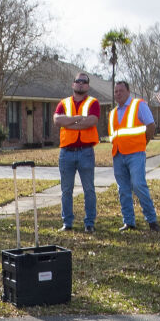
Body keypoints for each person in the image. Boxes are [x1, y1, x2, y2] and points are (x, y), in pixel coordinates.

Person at [109, 81, 159, 232]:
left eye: (121, 91)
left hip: (135, 154)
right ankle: (129, 222)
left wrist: (143, 143)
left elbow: (151, 126)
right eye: (116, 91)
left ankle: (152, 221)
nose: (118, 93)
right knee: (123, 189)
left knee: (138, 185)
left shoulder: (139, 105)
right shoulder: (112, 113)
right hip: (118, 155)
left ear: (128, 91)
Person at [54, 71, 100, 233]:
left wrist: (69, 122)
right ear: (73, 84)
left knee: (89, 189)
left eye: (84, 82)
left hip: (86, 152)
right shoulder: (63, 103)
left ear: (87, 86)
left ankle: (89, 223)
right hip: (66, 152)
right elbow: (57, 120)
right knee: (66, 190)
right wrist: (79, 118)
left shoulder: (93, 102)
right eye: (78, 81)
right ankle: (67, 223)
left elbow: (91, 121)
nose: (80, 84)